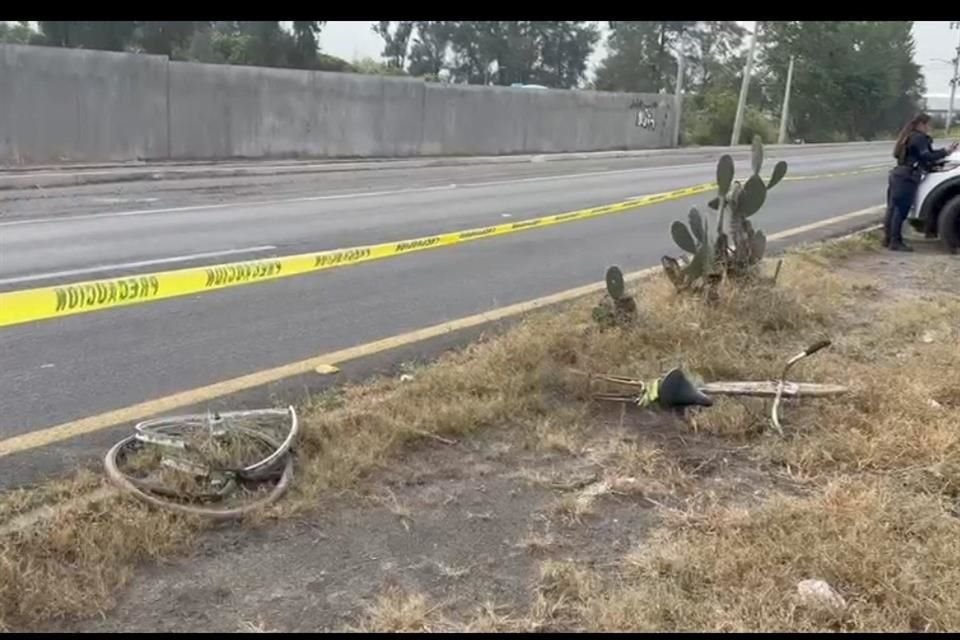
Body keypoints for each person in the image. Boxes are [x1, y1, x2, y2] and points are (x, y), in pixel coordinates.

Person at [885, 114, 959, 251]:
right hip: (908, 176)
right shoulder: (919, 138)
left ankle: (888, 239)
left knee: (892, 209)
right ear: (921, 124)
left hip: (898, 174)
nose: (930, 128)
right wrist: (945, 151)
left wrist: (944, 151)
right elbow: (926, 157)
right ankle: (895, 242)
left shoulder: (908, 136)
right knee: (901, 211)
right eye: (929, 125)